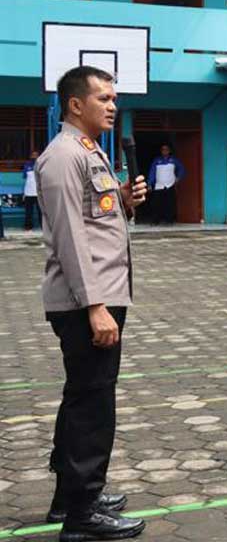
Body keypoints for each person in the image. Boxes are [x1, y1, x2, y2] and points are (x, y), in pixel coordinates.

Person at [38, 66, 147, 540]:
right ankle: (82, 516)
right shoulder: (64, 156)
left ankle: (70, 497)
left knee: (82, 396)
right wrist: (95, 306)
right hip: (87, 301)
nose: (112, 106)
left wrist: (122, 199)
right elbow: (69, 237)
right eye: (103, 98)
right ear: (75, 104)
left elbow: (94, 217)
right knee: (93, 405)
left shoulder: (88, 150)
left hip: (96, 295)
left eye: (114, 98)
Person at [146, 143, 183, 225]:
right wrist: (149, 184)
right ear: (161, 151)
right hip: (159, 185)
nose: (165, 151)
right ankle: (155, 221)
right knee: (156, 204)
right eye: (163, 149)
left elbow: (181, 169)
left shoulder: (174, 160)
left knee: (170, 204)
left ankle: (169, 220)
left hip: (170, 185)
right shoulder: (156, 160)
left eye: (166, 149)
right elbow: (152, 172)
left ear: (169, 151)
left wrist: (178, 178)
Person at [22, 148, 40, 230]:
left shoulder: (41, 165)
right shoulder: (27, 165)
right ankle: (28, 226)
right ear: (30, 156)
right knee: (28, 211)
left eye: (36, 155)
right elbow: (25, 177)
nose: (34, 157)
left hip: (39, 193)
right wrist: (24, 193)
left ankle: (43, 226)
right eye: (33, 155)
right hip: (28, 192)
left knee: (41, 211)